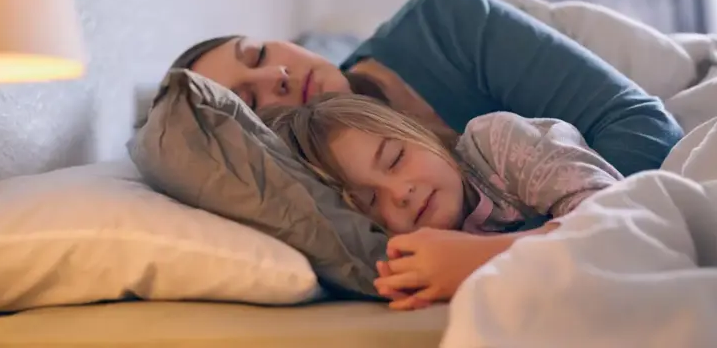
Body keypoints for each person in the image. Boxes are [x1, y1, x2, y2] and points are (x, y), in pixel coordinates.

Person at [170, 0, 683, 176]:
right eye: (250, 99)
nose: (276, 75)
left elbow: (647, 127)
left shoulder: (443, 21)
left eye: (258, 52)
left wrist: (517, 242)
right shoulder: (340, 192)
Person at [258, 93, 623, 310]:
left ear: (415, 130)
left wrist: (481, 256)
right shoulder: (394, 252)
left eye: (395, 159)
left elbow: (616, 216)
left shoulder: (496, 143)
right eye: (370, 202)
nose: (400, 193)